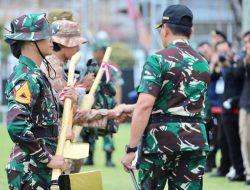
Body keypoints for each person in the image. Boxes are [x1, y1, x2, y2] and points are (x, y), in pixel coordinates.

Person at [121, 5, 210, 190]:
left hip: (160, 141)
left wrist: (131, 149)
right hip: (194, 140)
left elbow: (144, 105)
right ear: (191, 32)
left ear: (166, 30)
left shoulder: (158, 59)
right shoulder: (203, 62)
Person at [3, 13, 72, 190]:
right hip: (31, 169)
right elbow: (16, 125)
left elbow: (43, 117)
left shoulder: (35, 74)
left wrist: (66, 101)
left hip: (39, 167)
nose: (51, 40)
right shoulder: (27, 76)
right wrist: (46, 158)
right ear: (30, 41)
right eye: (45, 35)